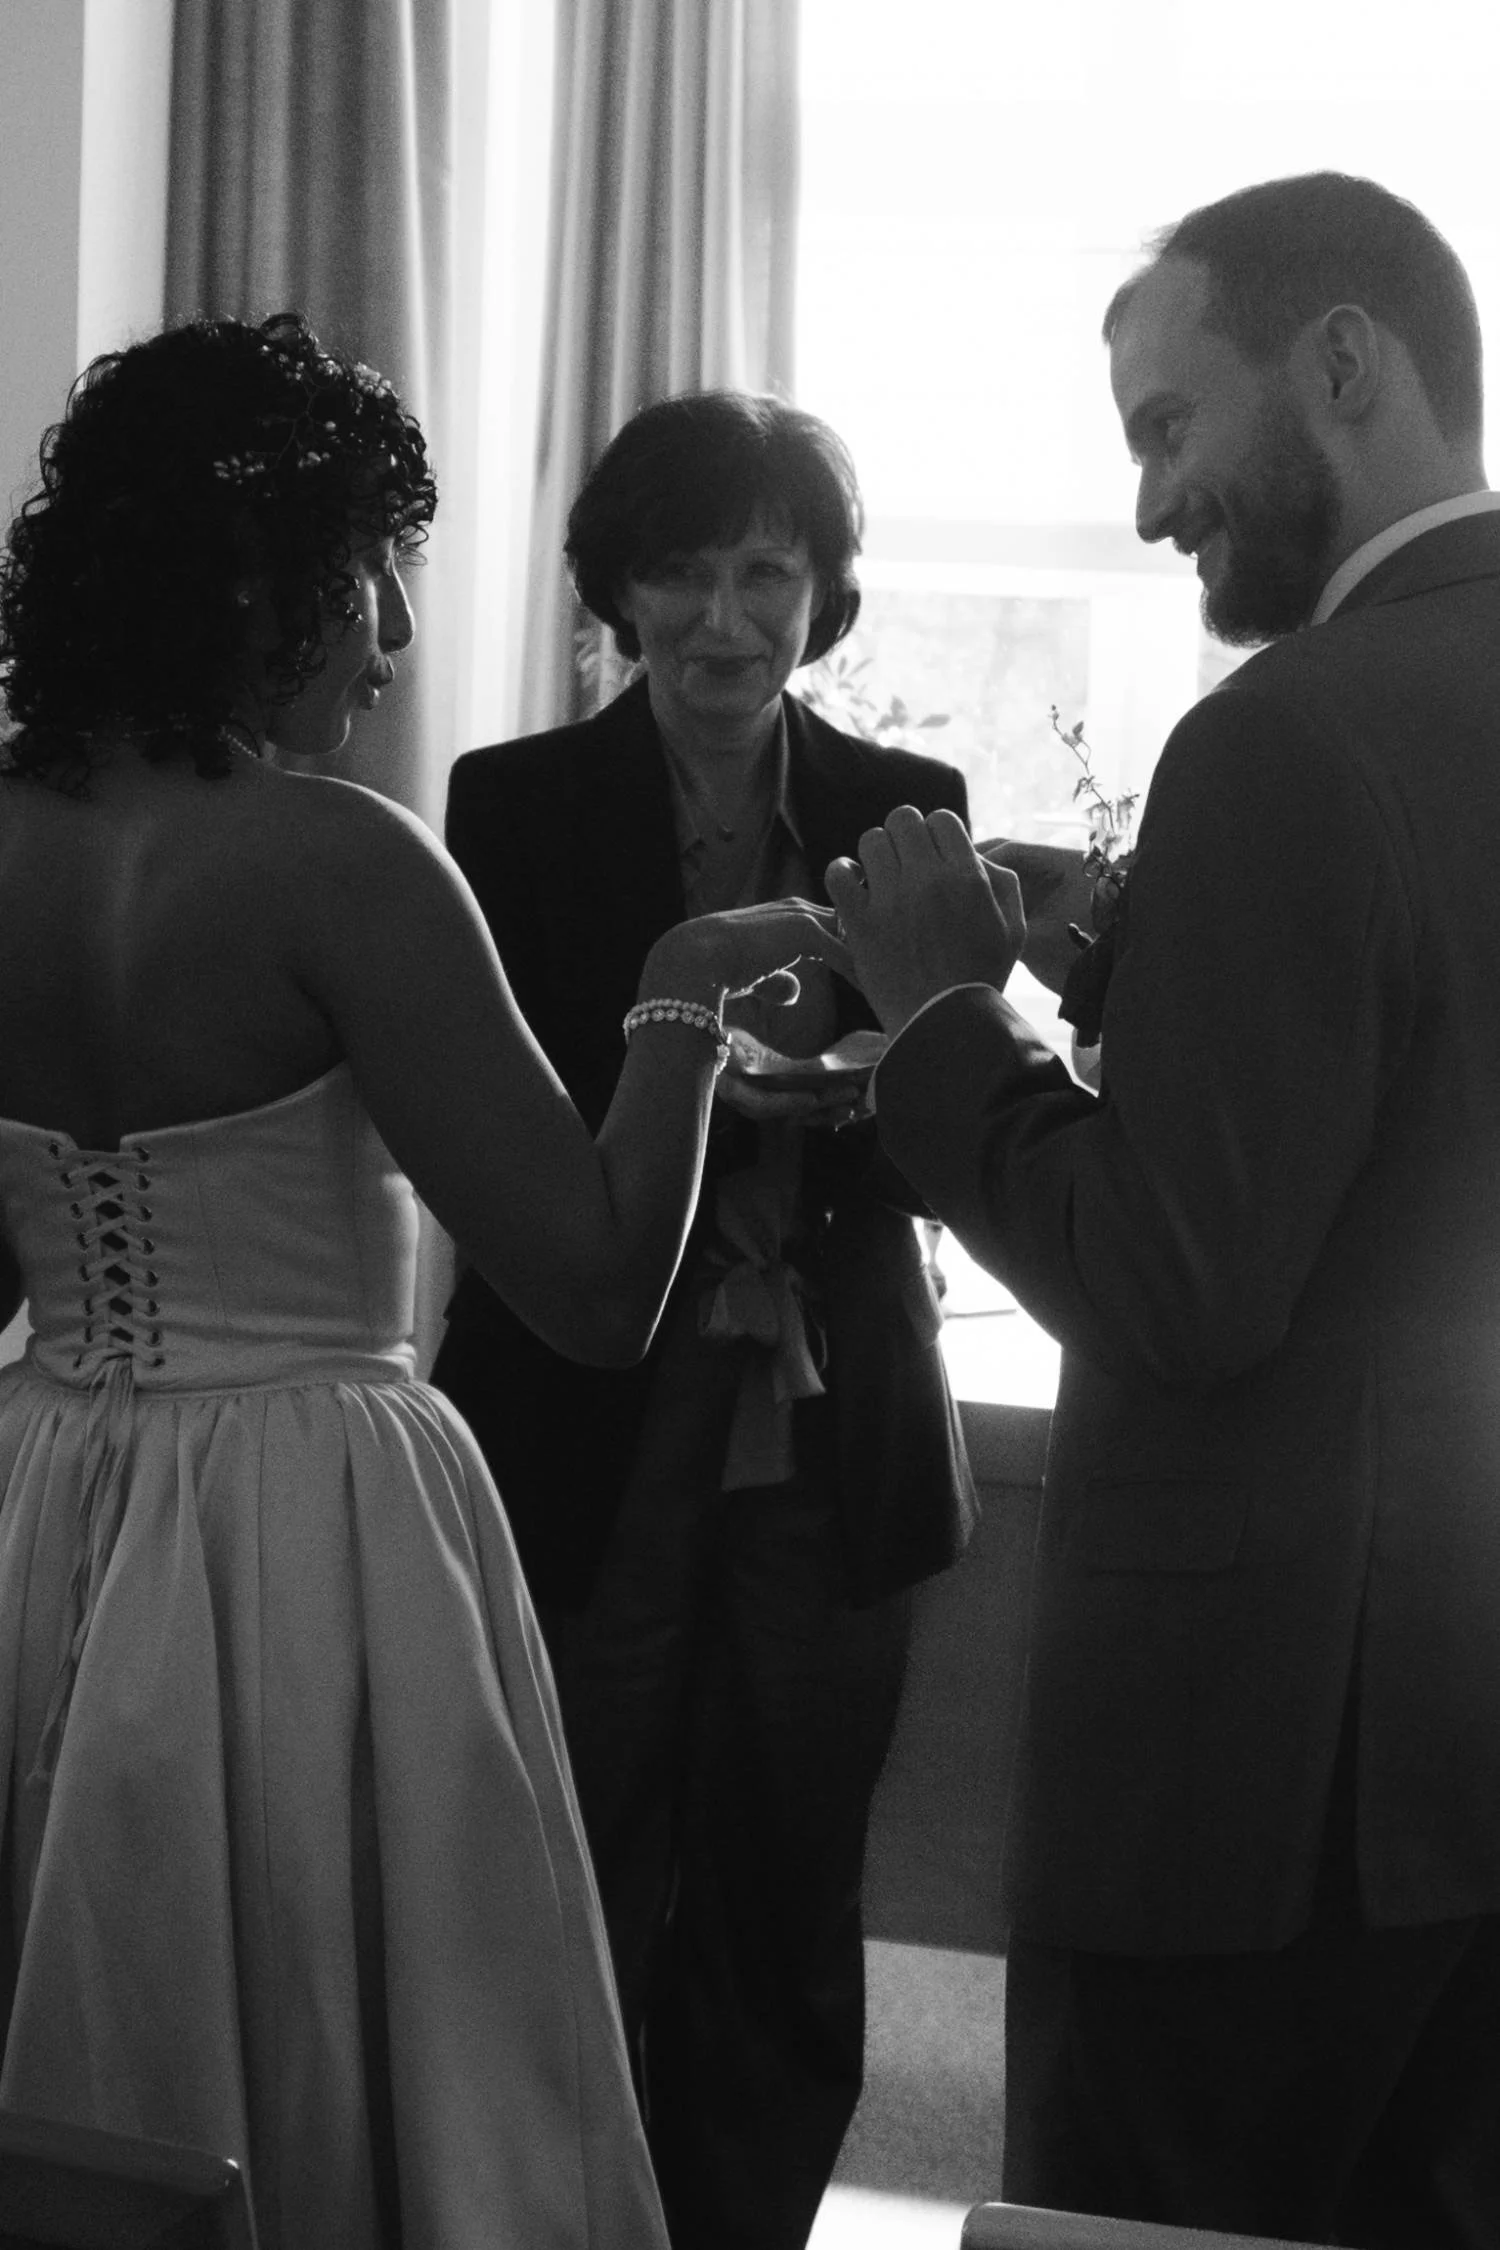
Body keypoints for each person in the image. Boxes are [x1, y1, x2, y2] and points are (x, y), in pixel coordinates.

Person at [0, 317, 842, 2250]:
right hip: (309, 1524)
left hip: (44, 1501)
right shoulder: (340, 862)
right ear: (256, 579)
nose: (388, 632)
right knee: (357, 2050)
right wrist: (687, 989)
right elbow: (596, 1287)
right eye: (374, 568)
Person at [824, 173, 1500, 2248]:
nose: (1146, 506)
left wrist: (940, 1019)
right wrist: (1128, 969)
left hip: (1264, 1782)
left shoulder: (1290, 730)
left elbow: (1182, 1284)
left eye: (1168, 425)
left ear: (1345, 362)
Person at [431, 391, 976, 2250]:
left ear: (823, 594)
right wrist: (685, 1089)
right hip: (581, 1403)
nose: (726, 619)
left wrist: (864, 1101)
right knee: (563, 1851)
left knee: (788, 1874)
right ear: (618, 590)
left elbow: (952, 1124)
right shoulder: (508, 805)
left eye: (767, 572)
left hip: (831, 1406)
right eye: (683, 571)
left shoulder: (909, 811)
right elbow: (487, 1119)